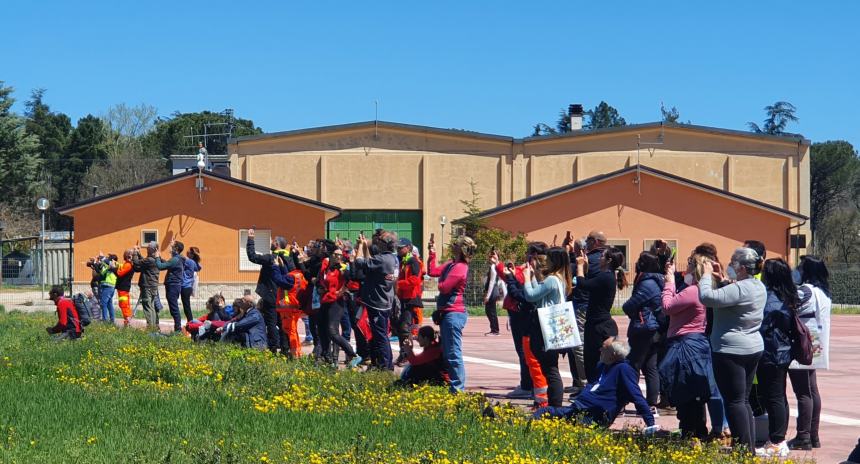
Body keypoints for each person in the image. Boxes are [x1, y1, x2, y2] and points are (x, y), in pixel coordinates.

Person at [699, 247, 766, 454]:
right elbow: (733, 295)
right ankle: (748, 447)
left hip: (731, 350)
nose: (729, 265)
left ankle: (743, 450)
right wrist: (722, 279)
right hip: (752, 347)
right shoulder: (756, 286)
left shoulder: (740, 288)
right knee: (743, 400)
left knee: (734, 401)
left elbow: (707, 297)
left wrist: (705, 276)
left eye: (732, 262)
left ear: (742, 267)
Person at [534, 341, 657, 433]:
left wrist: (650, 423)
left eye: (603, 349)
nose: (600, 350)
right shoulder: (602, 366)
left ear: (613, 354)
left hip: (594, 416)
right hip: (578, 408)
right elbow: (592, 386)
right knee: (544, 412)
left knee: (559, 426)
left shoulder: (624, 369)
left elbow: (636, 396)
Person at [659, 253, 716, 440]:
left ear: (696, 268)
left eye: (690, 264)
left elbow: (667, 306)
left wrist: (668, 283)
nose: (686, 269)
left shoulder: (693, 291)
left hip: (684, 344)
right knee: (694, 391)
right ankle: (697, 431)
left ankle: (691, 433)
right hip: (697, 341)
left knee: (684, 390)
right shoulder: (703, 289)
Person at [753, 258, 799, 458]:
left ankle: (777, 440)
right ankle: (778, 438)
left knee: (774, 397)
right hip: (780, 352)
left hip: (772, 352)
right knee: (778, 396)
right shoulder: (785, 295)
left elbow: (761, 323)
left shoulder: (770, 299)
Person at [788, 255, 832, 451]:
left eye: (800, 267)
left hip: (802, 344)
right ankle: (813, 435)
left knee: (803, 392)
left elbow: (788, 306)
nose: (797, 269)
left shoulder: (805, 291)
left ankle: (803, 436)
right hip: (816, 344)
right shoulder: (823, 293)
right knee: (812, 389)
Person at [520, 247, 572, 408]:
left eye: (548, 258)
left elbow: (530, 296)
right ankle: (552, 405)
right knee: (550, 368)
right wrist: (535, 274)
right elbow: (539, 295)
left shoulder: (552, 279)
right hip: (551, 329)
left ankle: (555, 406)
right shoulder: (559, 278)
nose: (545, 261)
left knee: (551, 371)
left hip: (545, 329)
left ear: (554, 260)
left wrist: (527, 278)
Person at [499, 243, 548, 406]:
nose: (526, 256)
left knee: (526, 351)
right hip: (523, 313)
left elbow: (523, 293)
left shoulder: (536, 273)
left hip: (525, 316)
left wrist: (512, 277)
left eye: (529, 253)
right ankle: (533, 387)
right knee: (529, 353)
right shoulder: (538, 272)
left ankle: (529, 387)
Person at [427, 234, 474, 393]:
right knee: (448, 353)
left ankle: (457, 389)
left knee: (453, 353)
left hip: (454, 313)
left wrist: (440, 282)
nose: (452, 245)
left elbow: (444, 287)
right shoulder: (451, 264)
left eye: (455, 243)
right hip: (447, 313)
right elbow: (432, 271)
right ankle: (453, 386)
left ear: (460, 248)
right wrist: (432, 254)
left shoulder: (460, 267)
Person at [575, 247, 625, 383]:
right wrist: (585, 267)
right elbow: (590, 283)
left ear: (608, 260)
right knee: (595, 362)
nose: (599, 258)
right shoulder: (606, 276)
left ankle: (595, 392)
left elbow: (582, 284)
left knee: (592, 362)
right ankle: (594, 391)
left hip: (598, 326)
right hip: (598, 323)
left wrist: (579, 266)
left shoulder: (606, 276)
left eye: (602, 256)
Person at [622, 251, 665, 411]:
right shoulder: (656, 280)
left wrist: (633, 314)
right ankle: (651, 402)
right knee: (650, 366)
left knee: (633, 365)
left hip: (644, 329)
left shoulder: (647, 283)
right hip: (652, 329)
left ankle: (633, 399)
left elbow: (629, 305)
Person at [353, 230, 399, 371]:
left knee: (380, 336)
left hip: (378, 302)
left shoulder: (383, 260)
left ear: (385, 245)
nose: (377, 244)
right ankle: (383, 363)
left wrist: (361, 246)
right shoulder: (392, 259)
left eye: (380, 242)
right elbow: (371, 264)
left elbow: (360, 262)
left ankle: (385, 365)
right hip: (385, 300)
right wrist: (366, 247)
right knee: (380, 335)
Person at [568, 231, 608, 389]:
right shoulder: (605, 259)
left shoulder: (591, 260)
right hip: (596, 307)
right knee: (592, 344)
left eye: (589, 239)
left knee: (579, 344)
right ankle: (589, 380)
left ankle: (584, 381)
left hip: (584, 305)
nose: (587, 242)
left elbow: (578, 279)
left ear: (597, 241)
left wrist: (576, 261)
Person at [246, 228, 291, 353]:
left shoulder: (271, 258)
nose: (270, 242)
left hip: (271, 295)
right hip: (284, 296)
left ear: (276, 244)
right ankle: (285, 348)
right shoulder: (289, 259)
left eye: (272, 241)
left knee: (271, 323)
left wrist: (250, 239)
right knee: (283, 323)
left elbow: (253, 257)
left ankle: (273, 348)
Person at [318, 247, 362, 367]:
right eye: (336, 254)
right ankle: (329, 359)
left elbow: (352, 278)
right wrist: (320, 287)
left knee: (333, 331)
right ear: (330, 255)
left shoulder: (342, 268)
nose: (338, 257)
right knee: (322, 330)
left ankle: (353, 355)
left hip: (336, 302)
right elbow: (321, 280)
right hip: (325, 300)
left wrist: (341, 291)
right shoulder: (326, 266)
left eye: (340, 255)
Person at [395, 238, 425, 365]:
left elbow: (415, 280)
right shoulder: (403, 261)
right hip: (403, 298)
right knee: (400, 327)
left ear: (408, 247)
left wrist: (398, 284)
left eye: (400, 247)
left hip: (411, 298)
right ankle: (403, 354)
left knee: (404, 328)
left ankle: (407, 355)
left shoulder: (413, 261)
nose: (398, 249)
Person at [132, 242, 162, 330]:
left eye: (148, 248)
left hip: (147, 285)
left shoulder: (149, 260)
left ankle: (150, 328)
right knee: (152, 306)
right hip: (153, 285)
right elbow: (143, 261)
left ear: (152, 250)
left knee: (148, 306)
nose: (147, 249)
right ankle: (154, 326)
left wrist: (134, 252)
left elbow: (137, 263)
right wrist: (139, 253)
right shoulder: (155, 259)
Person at [156, 240, 185, 333]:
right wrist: (160, 258)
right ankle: (178, 328)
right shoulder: (177, 259)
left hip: (173, 286)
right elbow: (168, 264)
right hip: (174, 286)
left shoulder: (175, 259)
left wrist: (157, 258)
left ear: (176, 249)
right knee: (173, 307)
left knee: (174, 308)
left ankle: (178, 329)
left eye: (172, 246)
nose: (170, 247)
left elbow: (160, 267)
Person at [92, 254, 118, 324]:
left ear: (112, 259)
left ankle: (105, 321)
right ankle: (112, 320)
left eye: (109, 257)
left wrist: (102, 257)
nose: (107, 258)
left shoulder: (114, 264)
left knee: (103, 304)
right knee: (109, 303)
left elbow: (106, 262)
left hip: (108, 285)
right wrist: (94, 263)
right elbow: (100, 273)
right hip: (108, 285)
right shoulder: (108, 265)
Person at [180, 246, 202, 326]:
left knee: (186, 306)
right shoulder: (194, 263)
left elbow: (180, 256)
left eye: (189, 251)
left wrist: (173, 246)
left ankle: (190, 322)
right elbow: (199, 267)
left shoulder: (189, 261)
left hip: (185, 286)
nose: (187, 252)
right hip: (188, 287)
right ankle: (190, 321)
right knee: (187, 306)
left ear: (192, 254)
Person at [482, 261, 504, 336]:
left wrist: (488, 296)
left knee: (491, 311)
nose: (490, 258)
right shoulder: (493, 267)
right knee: (489, 311)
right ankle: (494, 329)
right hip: (493, 290)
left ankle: (495, 331)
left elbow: (492, 282)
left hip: (492, 291)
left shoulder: (493, 267)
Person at [115, 250, 135, 327]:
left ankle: (127, 321)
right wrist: (116, 265)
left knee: (124, 304)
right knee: (123, 304)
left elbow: (120, 273)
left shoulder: (128, 265)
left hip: (123, 287)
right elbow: (121, 267)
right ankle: (127, 320)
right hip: (123, 287)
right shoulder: (127, 264)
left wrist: (113, 268)